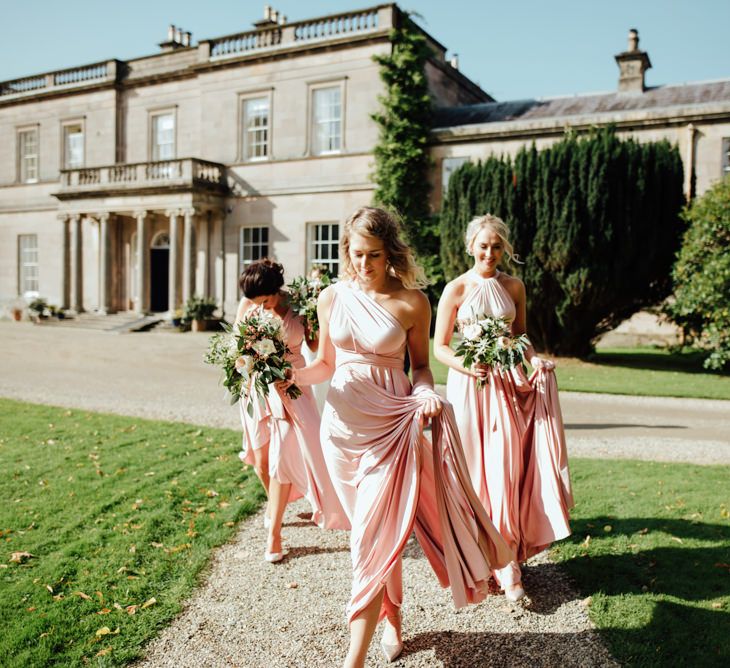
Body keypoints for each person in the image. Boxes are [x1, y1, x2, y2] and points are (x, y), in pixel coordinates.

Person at [288, 207, 512, 667]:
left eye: (373, 255)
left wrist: (427, 394)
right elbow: (325, 366)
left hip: (392, 428)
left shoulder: (413, 302)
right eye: (356, 255)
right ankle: (392, 618)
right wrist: (285, 375)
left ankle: (353, 660)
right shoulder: (331, 297)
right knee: (375, 537)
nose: (364, 264)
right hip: (341, 432)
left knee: (369, 540)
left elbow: (423, 366)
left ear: (390, 252)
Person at [433, 213, 574, 601]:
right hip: (470, 386)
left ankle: (508, 560)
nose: (490, 253)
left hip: (507, 385)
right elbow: (439, 347)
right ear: (470, 247)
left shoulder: (514, 286)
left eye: (497, 246)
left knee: (506, 468)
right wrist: (467, 363)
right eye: (483, 246)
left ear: (505, 248)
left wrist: (535, 360)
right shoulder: (456, 289)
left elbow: (521, 337)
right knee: (476, 469)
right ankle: (482, 561)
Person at [234, 259, 347, 562]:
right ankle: (276, 506)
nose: (261, 306)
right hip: (258, 389)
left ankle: (274, 532)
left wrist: (316, 323)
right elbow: (237, 352)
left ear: (277, 291)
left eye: (266, 300)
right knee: (261, 460)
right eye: (256, 302)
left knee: (282, 455)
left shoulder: (299, 307)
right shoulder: (249, 305)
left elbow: (315, 345)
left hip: (292, 386)